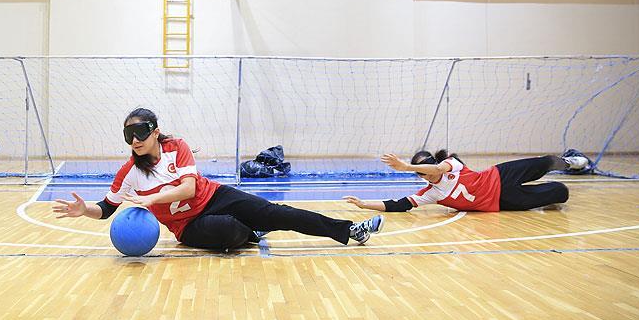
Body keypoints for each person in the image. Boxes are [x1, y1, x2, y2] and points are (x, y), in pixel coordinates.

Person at [52, 108, 384, 250]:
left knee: (276, 212)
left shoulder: (176, 147)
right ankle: (251, 232)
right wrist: (85, 211)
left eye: (140, 132)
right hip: (188, 226)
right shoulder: (129, 173)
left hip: (213, 196)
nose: (135, 140)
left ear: (154, 132)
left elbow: (188, 189)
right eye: (129, 135)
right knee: (229, 231)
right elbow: (106, 208)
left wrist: (151, 198)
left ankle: (348, 230)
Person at [344, 150, 589, 213]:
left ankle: (571, 162)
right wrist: (364, 204)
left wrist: (406, 167)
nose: (427, 175)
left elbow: (437, 168)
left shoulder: (451, 164)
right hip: (502, 202)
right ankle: (551, 193)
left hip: (500, 175)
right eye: (421, 174)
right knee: (560, 191)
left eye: (425, 169)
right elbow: (398, 204)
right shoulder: (431, 194)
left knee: (544, 162)